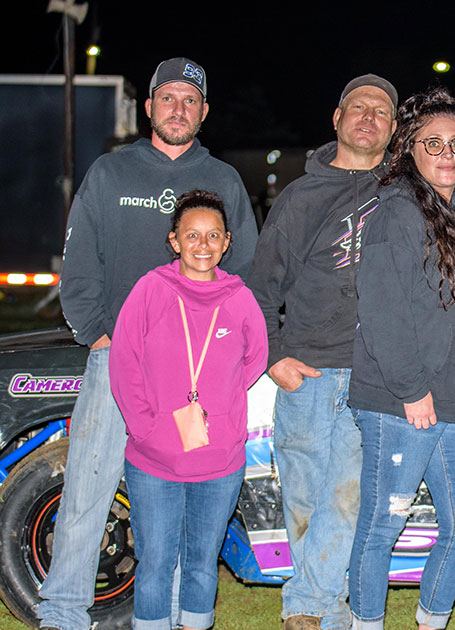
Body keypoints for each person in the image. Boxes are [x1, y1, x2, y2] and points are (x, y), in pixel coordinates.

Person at [40, 57, 258, 630]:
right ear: (150, 107)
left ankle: (181, 614)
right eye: (169, 98)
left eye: (191, 100)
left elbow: (248, 278)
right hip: (118, 359)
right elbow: (80, 263)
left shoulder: (224, 181)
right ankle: (63, 611)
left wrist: (230, 361)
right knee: (88, 487)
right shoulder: (110, 174)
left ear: (204, 112)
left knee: (185, 504)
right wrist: (97, 334)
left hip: (196, 377)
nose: (179, 109)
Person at [346, 87, 455, 630]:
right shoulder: (397, 210)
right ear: (408, 149)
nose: (446, 154)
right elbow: (383, 307)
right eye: (431, 142)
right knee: (380, 527)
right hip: (401, 403)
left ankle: (429, 621)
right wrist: (411, 389)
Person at [247, 73, 398, 630]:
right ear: (337, 119)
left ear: (393, 127)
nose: (368, 117)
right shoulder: (300, 197)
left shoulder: (405, 194)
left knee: (349, 498)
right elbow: (262, 288)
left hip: (374, 375)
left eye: (381, 111)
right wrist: (274, 357)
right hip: (306, 372)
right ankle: (326, 614)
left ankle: (304, 610)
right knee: (307, 502)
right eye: (357, 107)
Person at [108, 189, 267, 630]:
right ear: (174, 240)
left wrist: (225, 408)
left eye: (213, 235)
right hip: (153, 460)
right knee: (156, 561)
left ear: (227, 242)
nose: (203, 244)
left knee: (201, 562)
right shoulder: (150, 291)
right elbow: (124, 362)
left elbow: (255, 358)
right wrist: (146, 427)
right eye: (192, 235)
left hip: (219, 462)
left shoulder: (239, 299)